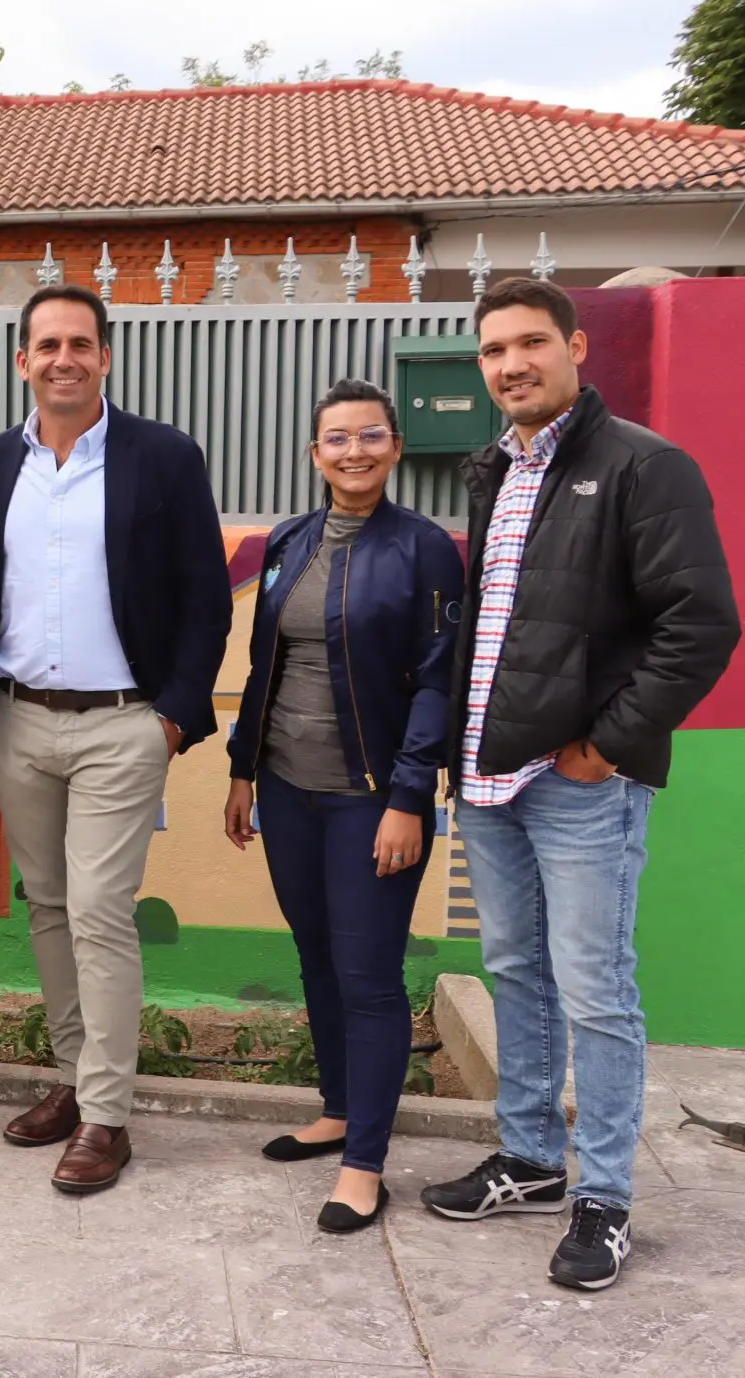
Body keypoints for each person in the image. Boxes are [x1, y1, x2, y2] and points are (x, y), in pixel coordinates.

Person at [418, 277, 738, 1290]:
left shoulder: (643, 465)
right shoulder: (495, 469)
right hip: (490, 773)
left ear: (574, 347)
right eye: (492, 350)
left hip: (581, 782)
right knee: (517, 970)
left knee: (596, 990)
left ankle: (604, 1196)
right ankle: (528, 1160)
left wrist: (607, 744)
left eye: (530, 343)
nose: (511, 364)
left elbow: (702, 623)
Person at [0, 283, 232, 1194]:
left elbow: (206, 598)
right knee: (47, 904)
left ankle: (108, 1117)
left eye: (80, 344)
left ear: (106, 357)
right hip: (16, 719)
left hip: (124, 723)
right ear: (23, 362)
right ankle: (78, 1082)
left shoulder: (164, 456)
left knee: (97, 909)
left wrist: (173, 718)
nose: (64, 359)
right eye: (47, 345)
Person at [223, 379, 465, 1233]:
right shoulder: (288, 541)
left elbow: (438, 682)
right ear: (315, 454)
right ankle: (337, 1111)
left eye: (369, 436)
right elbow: (265, 666)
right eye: (337, 438)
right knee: (317, 956)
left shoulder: (425, 549)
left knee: (367, 976)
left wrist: (410, 796)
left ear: (395, 447)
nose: (353, 451)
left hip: (372, 797)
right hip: (287, 790)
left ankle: (365, 1165)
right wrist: (243, 770)